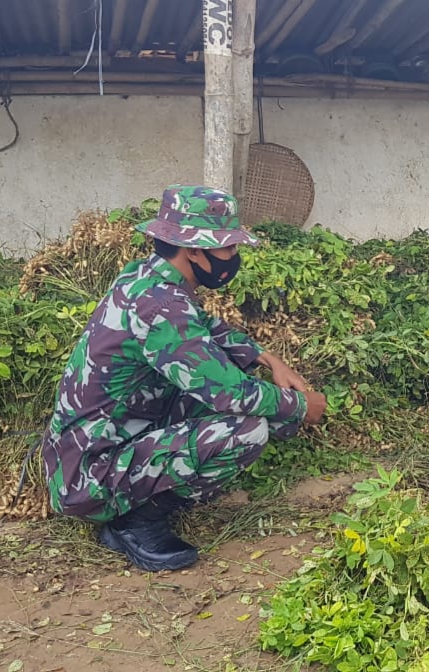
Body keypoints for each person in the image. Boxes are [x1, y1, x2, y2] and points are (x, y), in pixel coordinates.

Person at [41, 185, 327, 572]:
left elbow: (204, 328)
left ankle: (139, 498)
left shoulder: (147, 278)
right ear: (194, 250)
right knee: (249, 429)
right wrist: (300, 406)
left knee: (240, 383)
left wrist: (266, 357)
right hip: (89, 476)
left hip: (90, 446)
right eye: (228, 249)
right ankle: (134, 521)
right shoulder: (161, 306)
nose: (234, 257)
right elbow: (230, 393)